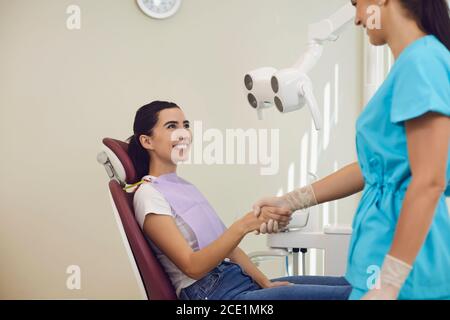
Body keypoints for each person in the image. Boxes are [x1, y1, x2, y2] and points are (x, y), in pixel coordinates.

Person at [253, 0, 450, 300]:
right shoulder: (413, 64)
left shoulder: (421, 62)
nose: (357, 18)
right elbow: (371, 168)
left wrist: (389, 285)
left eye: (357, 4)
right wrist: (290, 201)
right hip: (378, 255)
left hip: (405, 269)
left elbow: (429, 181)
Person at [127, 101, 352, 300]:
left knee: (354, 285)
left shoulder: (183, 187)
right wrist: (243, 225)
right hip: (212, 293)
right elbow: (193, 267)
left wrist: (265, 283)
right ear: (147, 141)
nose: (184, 133)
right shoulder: (148, 194)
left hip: (236, 279)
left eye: (186, 125)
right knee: (352, 296)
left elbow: (231, 251)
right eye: (172, 126)